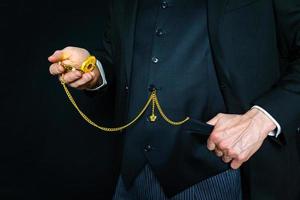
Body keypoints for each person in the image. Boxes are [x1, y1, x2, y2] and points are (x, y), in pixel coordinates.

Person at [48, 0, 300, 199]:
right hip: (130, 177)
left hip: (226, 174)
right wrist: (95, 73)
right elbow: (118, 61)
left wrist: (260, 120)